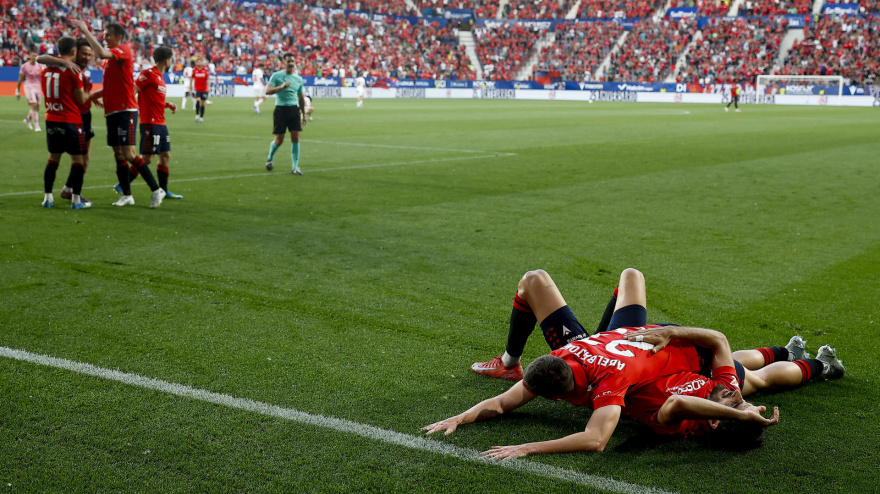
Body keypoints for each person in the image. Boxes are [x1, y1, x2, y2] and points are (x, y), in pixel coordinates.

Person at [424, 268, 780, 457]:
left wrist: (526, 447)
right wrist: (460, 416)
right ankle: (508, 362)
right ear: (558, 353)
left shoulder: (612, 384)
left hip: (667, 345)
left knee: (751, 377)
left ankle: (802, 360)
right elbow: (502, 403)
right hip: (628, 336)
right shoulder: (566, 353)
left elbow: (595, 439)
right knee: (626, 275)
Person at [72, 19, 166, 209]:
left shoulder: (124, 50)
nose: (105, 38)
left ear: (119, 37)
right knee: (118, 155)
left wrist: (85, 31)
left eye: (108, 35)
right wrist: (92, 97)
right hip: (112, 111)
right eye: (104, 35)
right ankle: (127, 195)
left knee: (129, 154)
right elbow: (108, 87)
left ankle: (156, 190)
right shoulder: (110, 60)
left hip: (126, 110)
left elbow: (99, 52)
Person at [37, 38, 99, 207]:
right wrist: (98, 94)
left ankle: (47, 197)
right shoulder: (73, 71)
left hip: (52, 117)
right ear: (74, 52)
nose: (86, 57)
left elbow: (40, 59)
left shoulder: (46, 68)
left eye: (89, 54)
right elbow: (80, 98)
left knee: (53, 159)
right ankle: (76, 200)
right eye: (83, 53)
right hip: (71, 119)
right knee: (79, 161)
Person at [121, 46, 183, 200]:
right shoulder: (148, 74)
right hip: (150, 123)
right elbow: (132, 91)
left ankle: (164, 190)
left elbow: (154, 98)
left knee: (165, 155)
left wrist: (167, 104)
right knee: (147, 158)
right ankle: (123, 184)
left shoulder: (160, 77)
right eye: (171, 59)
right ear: (167, 60)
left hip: (161, 122)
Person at [264, 53, 306, 175]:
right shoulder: (277, 76)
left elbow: (300, 97)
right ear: (284, 62)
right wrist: (281, 87)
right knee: (279, 140)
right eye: (288, 61)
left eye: (292, 61)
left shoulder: (298, 79)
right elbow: (267, 91)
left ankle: (295, 167)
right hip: (281, 110)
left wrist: (303, 114)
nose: (291, 63)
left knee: (295, 137)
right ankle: (270, 158)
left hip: (294, 110)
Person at [16, 51, 42, 132]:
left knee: (37, 107)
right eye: (33, 56)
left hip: (37, 85)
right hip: (28, 86)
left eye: (36, 56)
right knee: (33, 105)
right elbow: (20, 79)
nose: (34, 57)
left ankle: (28, 120)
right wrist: (17, 90)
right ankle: (37, 126)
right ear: (30, 56)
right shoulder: (25, 66)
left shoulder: (39, 66)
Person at [191, 58, 210, 122]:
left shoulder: (205, 70)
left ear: (202, 62)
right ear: (196, 63)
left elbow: (207, 79)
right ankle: (197, 114)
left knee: (203, 103)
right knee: (198, 100)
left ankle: (201, 117)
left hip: (204, 89)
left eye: (200, 61)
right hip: (197, 89)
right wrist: (190, 88)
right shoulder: (194, 70)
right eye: (198, 62)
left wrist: (209, 87)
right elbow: (191, 79)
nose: (199, 63)